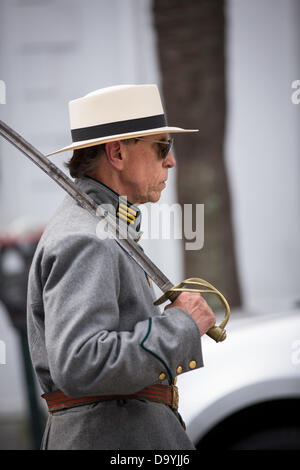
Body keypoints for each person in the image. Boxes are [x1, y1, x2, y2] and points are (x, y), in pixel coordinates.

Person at [27, 84, 216, 450]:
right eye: (162, 147)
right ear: (116, 153)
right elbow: (83, 362)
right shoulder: (85, 236)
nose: (171, 161)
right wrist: (182, 325)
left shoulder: (103, 227)